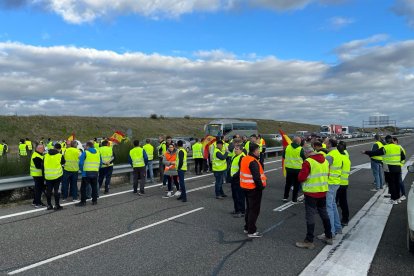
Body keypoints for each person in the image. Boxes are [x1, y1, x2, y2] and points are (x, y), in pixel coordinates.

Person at [296, 144, 332, 249]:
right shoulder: (325, 161)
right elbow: (328, 174)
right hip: (323, 191)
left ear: (306, 153)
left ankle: (309, 241)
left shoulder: (308, 162)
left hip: (311, 193)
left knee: (310, 216)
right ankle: (328, 236)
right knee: (324, 214)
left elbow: (301, 178)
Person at [363, 135, 405, 204]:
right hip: (398, 168)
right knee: (397, 183)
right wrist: (396, 161)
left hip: (389, 168)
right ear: (392, 140)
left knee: (391, 184)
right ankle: (398, 198)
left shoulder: (385, 147)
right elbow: (403, 157)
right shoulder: (398, 147)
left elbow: (375, 153)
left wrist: (365, 152)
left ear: (386, 141)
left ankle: (393, 199)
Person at [240, 143, 267, 238]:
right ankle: (251, 231)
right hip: (254, 189)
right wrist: (261, 187)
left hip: (245, 187)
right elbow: (257, 177)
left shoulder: (245, 158)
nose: (259, 152)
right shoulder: (253, 161)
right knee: (254, 210)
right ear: (254, 151)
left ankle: (247, 227)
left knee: (249, 209)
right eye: (258, 150)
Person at [318, 138, 342, 239]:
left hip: (330, 183)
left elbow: (322, 167)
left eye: (326, 143)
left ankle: (330, 232)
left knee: (329, 208)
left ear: (330, 144)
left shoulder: (330, 156)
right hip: (336, 182)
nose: (324, 144)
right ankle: (337, 228)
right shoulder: (338, 153)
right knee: (333, 205)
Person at [76, 141, 102, 206]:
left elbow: (80, 163)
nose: (85, 147)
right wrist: (97, 169)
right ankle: (94, 201)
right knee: (94, 187)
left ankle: (83, 202)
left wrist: (82, 170)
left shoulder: (86, 152)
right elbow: (101, 163)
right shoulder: (98, 152)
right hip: (95, 172)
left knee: (83, 188)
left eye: (85, 146)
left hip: (86, 173)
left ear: (88, 146)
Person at [282, 136, 305, 203]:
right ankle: (294, 199)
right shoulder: (301, 149)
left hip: (289, 169)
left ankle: (285, 197)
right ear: (298, 142)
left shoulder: (287, 147)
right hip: (298, 170)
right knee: (296, 185)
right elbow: (304, 158)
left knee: (288, 183)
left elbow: (283, 156)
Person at [43, 143, 65, 210]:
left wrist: (44, 175)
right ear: (59, 149)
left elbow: (42, 166)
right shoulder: (60, 155)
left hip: (48, 176)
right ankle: (57, 205)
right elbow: (63, 163)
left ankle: (49, 205)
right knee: (56, 191)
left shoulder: (46, 155)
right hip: (57, 176)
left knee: (49, 191)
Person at [336, 141, 351, 226]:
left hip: (336, 183)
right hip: (344, 183)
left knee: (333, 204)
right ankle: (345, 219)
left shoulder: (337, 158)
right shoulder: (346, 158)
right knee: (343, 202)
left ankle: (335, 222)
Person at [230, 144, 246, 218]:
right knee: (234, 196)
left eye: (237, 149)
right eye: (235, 149)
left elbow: (241, 170)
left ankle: (241, 211)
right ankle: (236, 209)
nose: (235, 150)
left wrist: (234, 176)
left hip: (239, 180)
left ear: (241, 150)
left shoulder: (242, 157)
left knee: (240, 196)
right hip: (234, 180)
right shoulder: (235, 156)